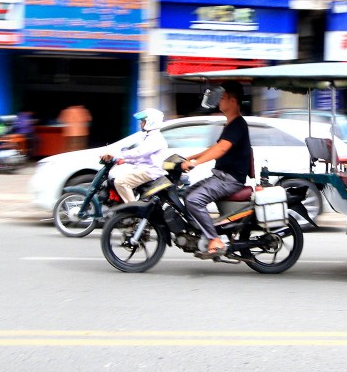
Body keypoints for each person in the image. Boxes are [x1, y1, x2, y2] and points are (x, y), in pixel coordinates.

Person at [181, 81, 252, 258]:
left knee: (194, 200)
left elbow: (221, 149)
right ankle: (202, 232)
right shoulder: (230, 125)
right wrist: (194, 157)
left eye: (223, 98)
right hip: (221, 176)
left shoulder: (238, 125)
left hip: (229, 179)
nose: (219, 101)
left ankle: (215, 239)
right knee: (187, 193)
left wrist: (195, 164)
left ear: (233, 101)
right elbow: (217, 146)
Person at [100, 108, 168, 203]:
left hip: (149, 172)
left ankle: (133, 211)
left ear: (150, 122)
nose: (140, 124)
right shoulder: (150, 137)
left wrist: (116, 155)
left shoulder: (155, 138)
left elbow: (139, 153)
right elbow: (143, 158)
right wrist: (126, 160)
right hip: (145, 168)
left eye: (143, 121)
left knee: (121, 182)